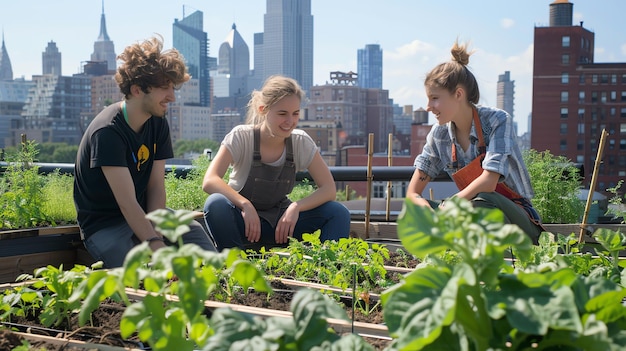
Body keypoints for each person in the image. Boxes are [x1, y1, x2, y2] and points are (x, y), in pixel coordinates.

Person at [73, 36, 217, 268]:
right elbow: (127, 203)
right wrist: (155, 244)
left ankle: (219, 291)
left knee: (194, 234)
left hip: (143, 213)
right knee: (138, 272)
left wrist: (158, 230)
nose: (171, 96)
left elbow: (155, 187)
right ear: (137, 90)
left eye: (173, 87)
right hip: (105, 225)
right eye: (164, 88)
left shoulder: (157, 122)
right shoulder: (108, 132)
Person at [406, 41, 543, 244]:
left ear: (458, 94)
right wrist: (423, 208)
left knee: (481, 202)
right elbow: (412, 193)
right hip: (470, 212)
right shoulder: (438, 135)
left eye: (434, 98)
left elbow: (488, 182)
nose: (428, 107)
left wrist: (451, 205)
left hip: (519, 222)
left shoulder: (497, 121)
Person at [202, 75, 351, 251]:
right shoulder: (241, 137)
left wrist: (296, 207)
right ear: (263, 110)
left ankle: (326, 269)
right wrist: (245, 205)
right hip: (241, 223)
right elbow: (210, 181)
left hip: (281, 226)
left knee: (338, 213)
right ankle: (235, 265)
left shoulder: (300, 142)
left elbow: (329, 189)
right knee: (215, 204)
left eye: (295, 113)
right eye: (282, 114)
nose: (290, 121)